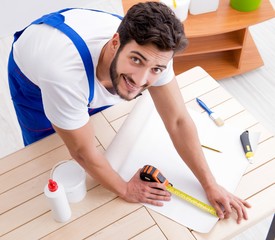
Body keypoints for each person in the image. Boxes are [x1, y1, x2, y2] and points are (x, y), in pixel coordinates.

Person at [8, 2, 250, 223]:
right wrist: (125, 189)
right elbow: (82, 153)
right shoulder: (64, 76)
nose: (142, 79)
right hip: (33, 76)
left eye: (155, 69)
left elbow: (177, 121)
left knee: (91, 120)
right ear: (115, 43)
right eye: (136, 60)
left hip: (88, 59)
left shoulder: (157, 53)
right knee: (46, 150)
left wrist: (210, 184)